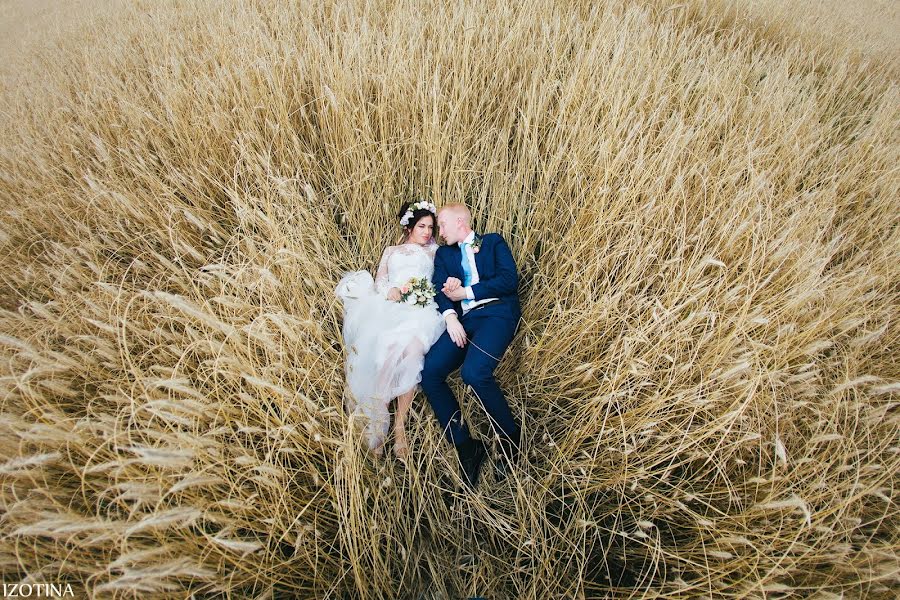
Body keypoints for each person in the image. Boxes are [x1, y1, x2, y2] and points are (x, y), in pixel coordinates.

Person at [334, 200, 446, 461]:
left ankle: (400, 429)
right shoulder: (392, 250)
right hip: (392, 306)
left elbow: (439, 280)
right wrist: (390, 290)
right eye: (422, 226)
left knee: (413, 351)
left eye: (431, 227)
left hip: (421, 310)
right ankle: (378, 426)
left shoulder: (435, 252)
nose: (427, 232)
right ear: (409, 227)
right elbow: (381, 279)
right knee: (386, 354)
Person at [421, 203, 522, 489]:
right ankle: (466, 445)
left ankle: (509, 437)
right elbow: (439, 289)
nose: (438, 232)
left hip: (497, 313)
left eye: (441, 224)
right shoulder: (445, 254)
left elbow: (508, 280)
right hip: (464, 320)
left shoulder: (492, 242)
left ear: (460, 222)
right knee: (429, 373)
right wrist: (451, 316)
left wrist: (466, 291)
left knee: (474, 373)